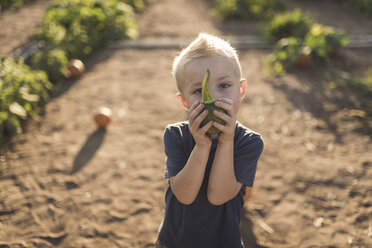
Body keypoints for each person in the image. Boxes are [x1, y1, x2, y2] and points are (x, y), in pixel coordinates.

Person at [155, 33, 264, 248]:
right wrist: (202, 145)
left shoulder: (249, 143)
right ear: (184, 101)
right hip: (174, 242)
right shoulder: (175, 135)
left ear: (241, 90)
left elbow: (218, 196)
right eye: (199, 90)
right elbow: (184, 195)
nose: (211, 98)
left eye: (224, 86)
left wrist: (225, 142)